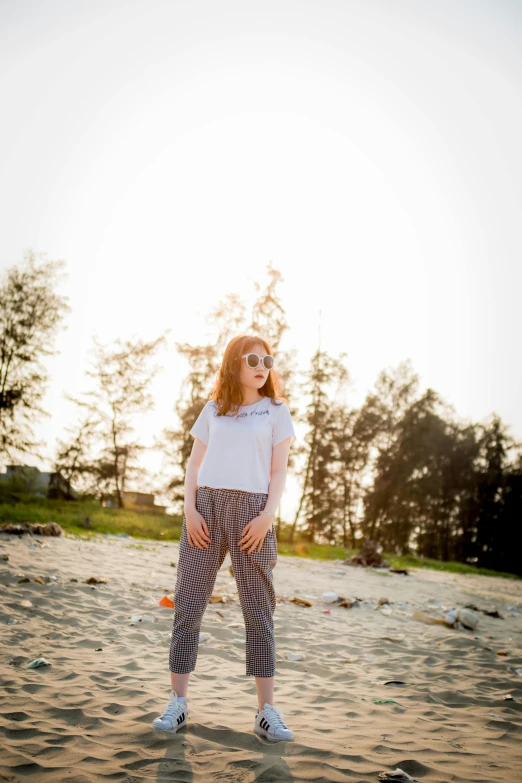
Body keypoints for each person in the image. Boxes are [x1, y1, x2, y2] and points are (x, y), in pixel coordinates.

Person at [153, 334, 296, 742]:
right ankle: (177, 703)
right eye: (252, 358)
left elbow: (279, 471)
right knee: (189, 604)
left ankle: (266, 711)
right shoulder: (213, 409)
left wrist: (267, 517)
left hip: (253, 515)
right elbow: (194, 464)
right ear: (234, 363)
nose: (260, 365)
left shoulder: (276, 411)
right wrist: (190, 510)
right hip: (206, 513)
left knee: (258, 611)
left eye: (267, 359)